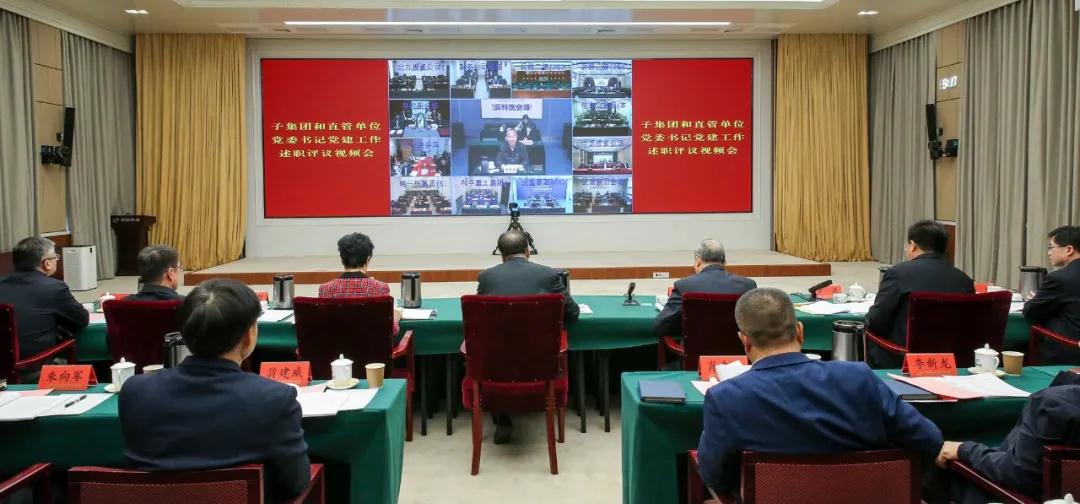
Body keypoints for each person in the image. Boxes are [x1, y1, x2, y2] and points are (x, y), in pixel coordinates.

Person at [696, 287, 945, 496]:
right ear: (800, 331)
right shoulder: (859, 377)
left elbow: (715, 477)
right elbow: (929, 439)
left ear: (745, 341)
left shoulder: (726, 398)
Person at [118, 279, 311, 502]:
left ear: (185, 334)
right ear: (248, 336)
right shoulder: (274, 399)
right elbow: (296, 481)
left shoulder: (135, 392)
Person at [476, 230, 578, 444]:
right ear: (528, 251)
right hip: (541, 362)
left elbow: (479, 318)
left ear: (502, 256)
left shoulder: (487, 277)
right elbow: (572, 313)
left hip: (497, 364)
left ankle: (501, 420)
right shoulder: (548, 275)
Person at [937, 370, 1080, 503]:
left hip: (1019, 495)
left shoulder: (1052, 403)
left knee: (945, 471)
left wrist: (964, 450)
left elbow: (1017, 474)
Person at [866, 220, 975, 368]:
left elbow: (876, 321)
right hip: (951, 361)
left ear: (913, 245)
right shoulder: (964, 280)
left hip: (903, 359)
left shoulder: (898, 273)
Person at [0, 237, 88, 361]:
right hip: (33, 364)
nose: (56, 260)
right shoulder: (54, 288)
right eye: (55, 257)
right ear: (47, 264)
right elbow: (82, 320)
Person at [654, 239, 756, 338]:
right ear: (724, 262)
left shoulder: (684, 286)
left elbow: (662, 324)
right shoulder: (748, 285)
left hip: (694, 349)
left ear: (698, 260)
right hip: (737, 349)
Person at [318, 232, 401, 334]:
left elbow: (322, 326)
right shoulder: (380, 288)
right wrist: (395, 318)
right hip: (370, 344)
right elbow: (390, 329)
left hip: (337, 344)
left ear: (342, 259)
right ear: (368, 259)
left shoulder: (325, 289)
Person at [1023, 225, 1080, 364]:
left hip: (1067, 351)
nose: (1049, 253)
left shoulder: (1059, 278)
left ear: (1069, 250)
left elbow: (1031, 313)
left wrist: (1035, 300)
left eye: (1051, 247)